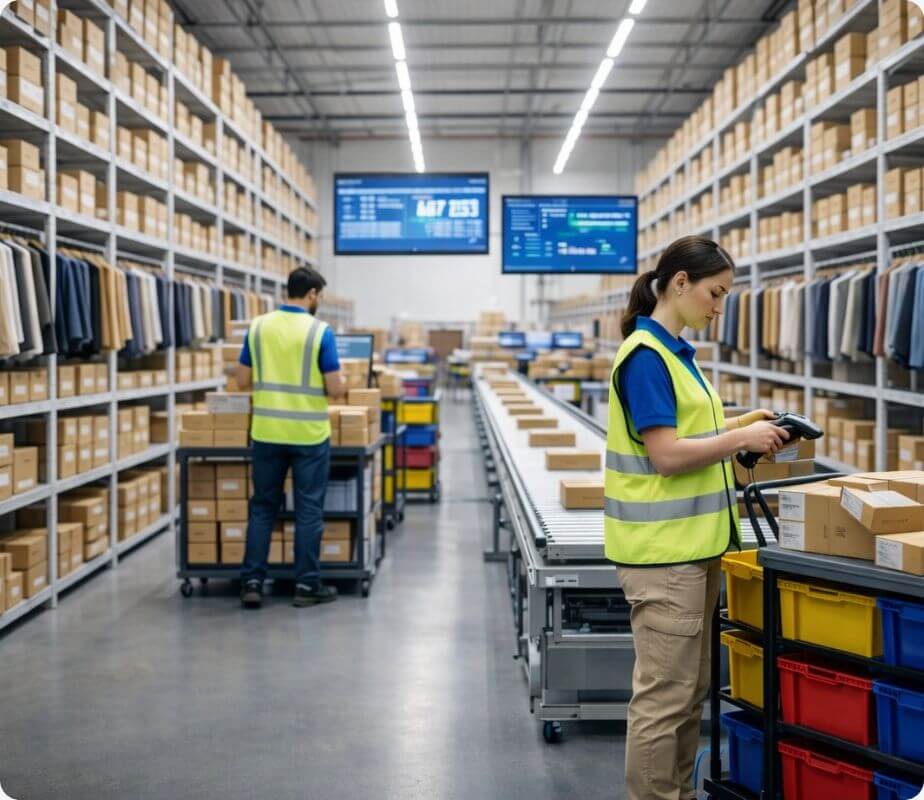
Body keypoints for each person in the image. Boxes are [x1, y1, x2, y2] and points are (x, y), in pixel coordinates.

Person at [605, 236, 788, 800]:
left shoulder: (676, 355)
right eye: (715, 293)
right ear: (679, 283)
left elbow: (688, 436)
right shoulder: (646, 358)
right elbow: (666, 455)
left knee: (687, 693)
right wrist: (739, 436)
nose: (718, 307)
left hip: (694, 550)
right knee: (664, 700)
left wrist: (743, 424)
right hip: (665, 558)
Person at [235, 267, 347, 609]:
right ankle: (306, 586)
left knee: (263, 508)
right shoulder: (320, 332)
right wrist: (347, 386)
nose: (319, 303)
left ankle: (252, 582)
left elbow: (241, 381)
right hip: (308, 435)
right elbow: (335, 387)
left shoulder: (257, 327)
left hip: (267, 432)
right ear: (311, 294)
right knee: (309, 509)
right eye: (319, 297)